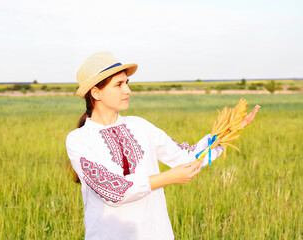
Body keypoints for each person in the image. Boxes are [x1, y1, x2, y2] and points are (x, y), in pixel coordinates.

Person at [66, 51, 260, 240]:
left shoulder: (139, 125)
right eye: (118, 84)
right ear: (96, 93)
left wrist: (227, 130)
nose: (127, 90)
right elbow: (112, 190)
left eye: (127, 83)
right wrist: (169, 177)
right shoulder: (78, 140)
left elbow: (185, 157)